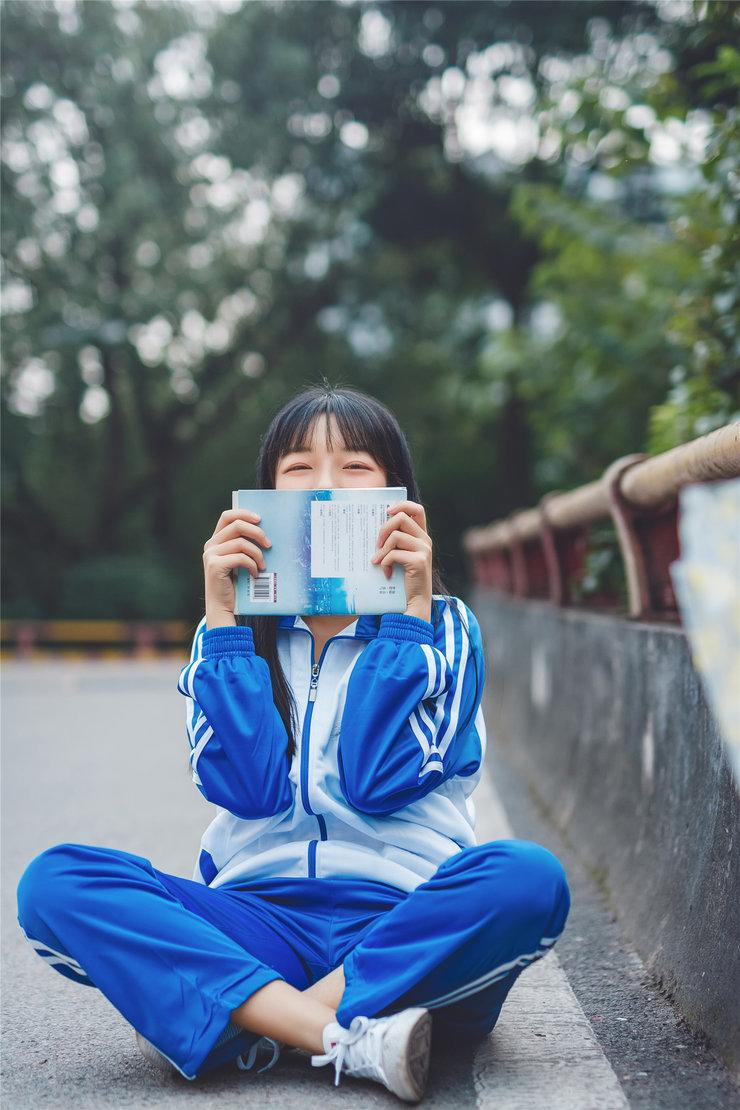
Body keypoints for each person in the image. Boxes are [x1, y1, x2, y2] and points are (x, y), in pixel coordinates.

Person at [16, 383, 571, 1103]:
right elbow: (245, 790)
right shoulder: (231, 636)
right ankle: (343, 1037)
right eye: (300, 470)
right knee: (57, 882)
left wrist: (406, 615)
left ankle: (248, 1016)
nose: (327, 491)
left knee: (526, 879)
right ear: (266, 492)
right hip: (260, 918)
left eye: (356, 468)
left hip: (405, 928)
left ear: (399, 493)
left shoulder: (446, 625)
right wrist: (222, 618)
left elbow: (379, 778)